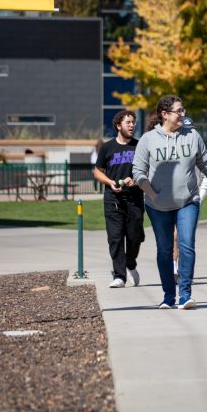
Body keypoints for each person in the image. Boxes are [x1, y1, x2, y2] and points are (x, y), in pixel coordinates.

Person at [133, 95, 207, 310]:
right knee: (164, 250)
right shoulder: (148, 139)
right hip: (157, 206)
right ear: (165, 114)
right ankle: (169, 296)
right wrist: (151, 194)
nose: (183, 114)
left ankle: (185, 294)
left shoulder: (193, 135)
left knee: (187, 246)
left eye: (183, 110)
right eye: (179, 111)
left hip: (188, 201)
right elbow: (138, 173)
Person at [93, 110, 144, 289]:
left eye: (133, 122)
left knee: (135, 236)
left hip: (135, 198)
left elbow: (149, 170)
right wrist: (109, 182)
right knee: (115, 238)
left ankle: (130, 263)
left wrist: (136, 180)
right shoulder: (107, 148)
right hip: (113, 199)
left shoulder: (140, 146)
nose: (132, 125)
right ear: (118, 125)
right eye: (128, 122)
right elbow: (97, 170)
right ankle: (119, 275)